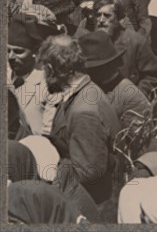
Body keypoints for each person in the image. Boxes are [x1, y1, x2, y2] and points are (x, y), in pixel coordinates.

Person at [39, 35, 121, 206]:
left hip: (91, 203)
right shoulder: (88, 91)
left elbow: (89, 172)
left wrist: (49, 163)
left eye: (43, 70)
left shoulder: (84, 111)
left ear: (50, 69)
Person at [78, 30, 151, 129]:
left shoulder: (131, 97)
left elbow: (136, 140)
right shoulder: (89, 86)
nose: (88, 72)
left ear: (107, 65)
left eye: (93, 68)